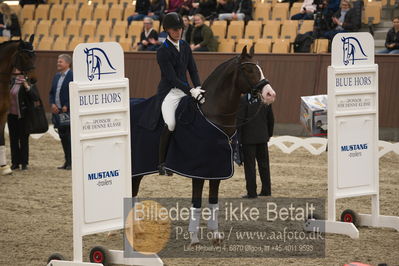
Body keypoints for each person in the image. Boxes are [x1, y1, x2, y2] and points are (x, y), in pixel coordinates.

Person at [155, 12, 204, 175]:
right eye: (175, 30)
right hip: (170, 92)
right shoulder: (163, 51)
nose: (178, 32)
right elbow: (172, 78)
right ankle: (161, 162)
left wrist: (199, 87)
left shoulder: (184, 46)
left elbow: (193, 69)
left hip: (185, 90)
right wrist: (191, 90)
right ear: (167, 30)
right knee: (171, 124)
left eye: (180, 29)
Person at [237, 93, 274, 198]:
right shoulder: (265, 99)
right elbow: (271, 118)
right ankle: (266, 191)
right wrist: (269, 134)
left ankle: (252, 192)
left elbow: (240, 120)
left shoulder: (243, 100)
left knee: (250, 167)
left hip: (248, 140)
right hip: (262, 138)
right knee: (264, 165)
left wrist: (238, 138)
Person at [7, 69, 39, 170]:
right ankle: (15, 162)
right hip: (11, 116)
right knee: (13, 140)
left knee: (23, 140)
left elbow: (35, 97)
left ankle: (24, 163)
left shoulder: (28, 82)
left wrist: (27, 87)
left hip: (23, 116)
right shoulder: (11, 82)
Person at [49, 54, 73, 170]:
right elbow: (51, 93)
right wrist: (52, 103)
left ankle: (71, 162)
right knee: (63, 137)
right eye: (58, 61)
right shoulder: (56, 76)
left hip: (68, 112)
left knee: (69, 138)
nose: (58, 63)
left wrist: (67, 105)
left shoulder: (72, 76)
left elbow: (74, 92)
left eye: (60, 62)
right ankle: (67, 161)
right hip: (58, 112)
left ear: (67, 64)